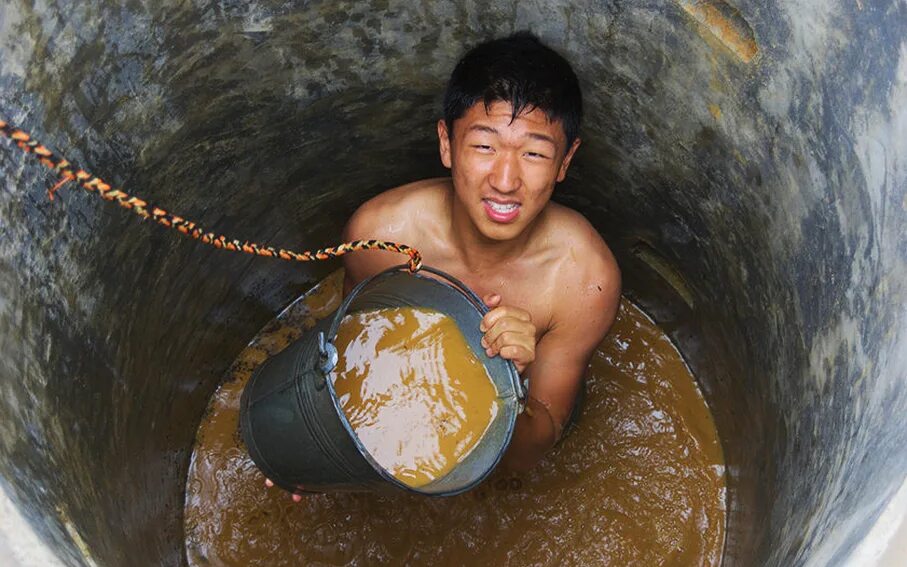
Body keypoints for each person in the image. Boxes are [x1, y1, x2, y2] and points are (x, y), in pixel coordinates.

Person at [340, 31, 621, 474]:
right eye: (485, 146)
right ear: (447, 144)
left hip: (519, 427)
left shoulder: (583, 280)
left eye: (534, 153)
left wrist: (509, 390)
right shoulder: (381, 238)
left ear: (565, 161)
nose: (505, 180)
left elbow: (535, 448)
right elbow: (348, 359)